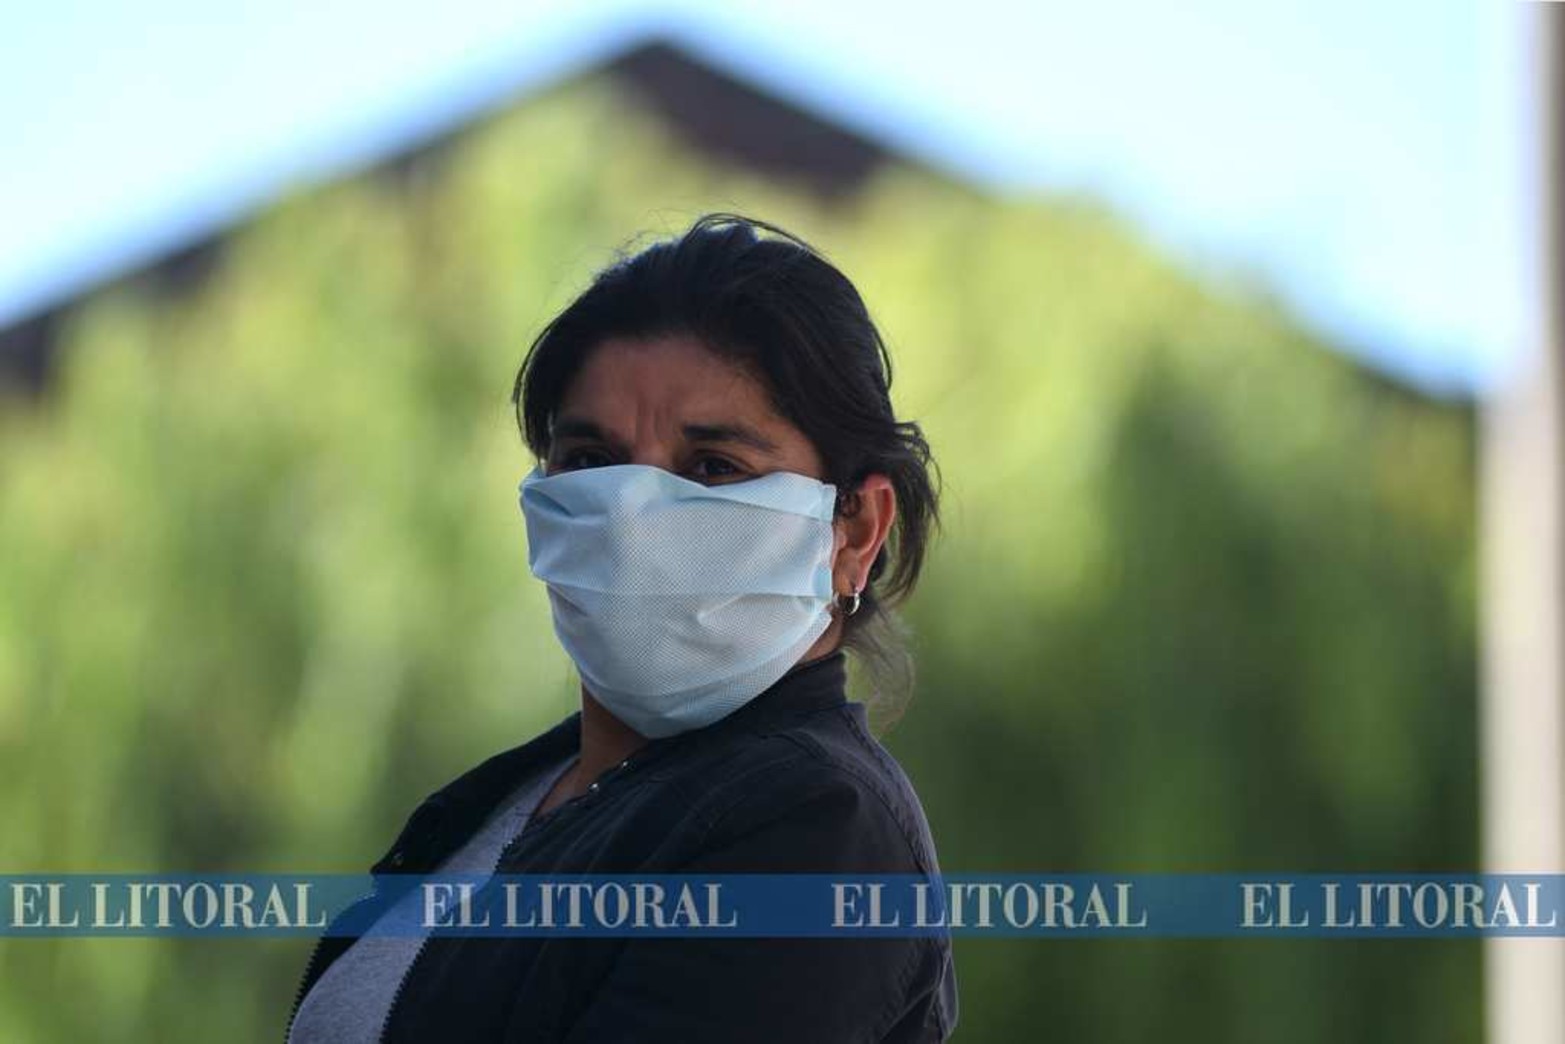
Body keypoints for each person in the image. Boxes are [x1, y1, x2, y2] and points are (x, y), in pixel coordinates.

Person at [284, 212, 958, 1043]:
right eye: (591, 464)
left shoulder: (815, 826)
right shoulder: (500, 804)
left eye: (714, 467)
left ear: (854, 528)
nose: (633, 521)